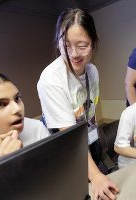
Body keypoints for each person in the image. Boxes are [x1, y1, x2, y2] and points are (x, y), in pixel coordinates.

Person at [37, 8, 119, 200]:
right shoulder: (51, 80)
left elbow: (90, 112)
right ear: (58, 41)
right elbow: (70, 137)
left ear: (94, 43)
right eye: (66, 45)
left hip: (88, 140)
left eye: (82, 46)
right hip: (66, 150)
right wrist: (96, 175)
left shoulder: (92, 71)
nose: (74, 54)